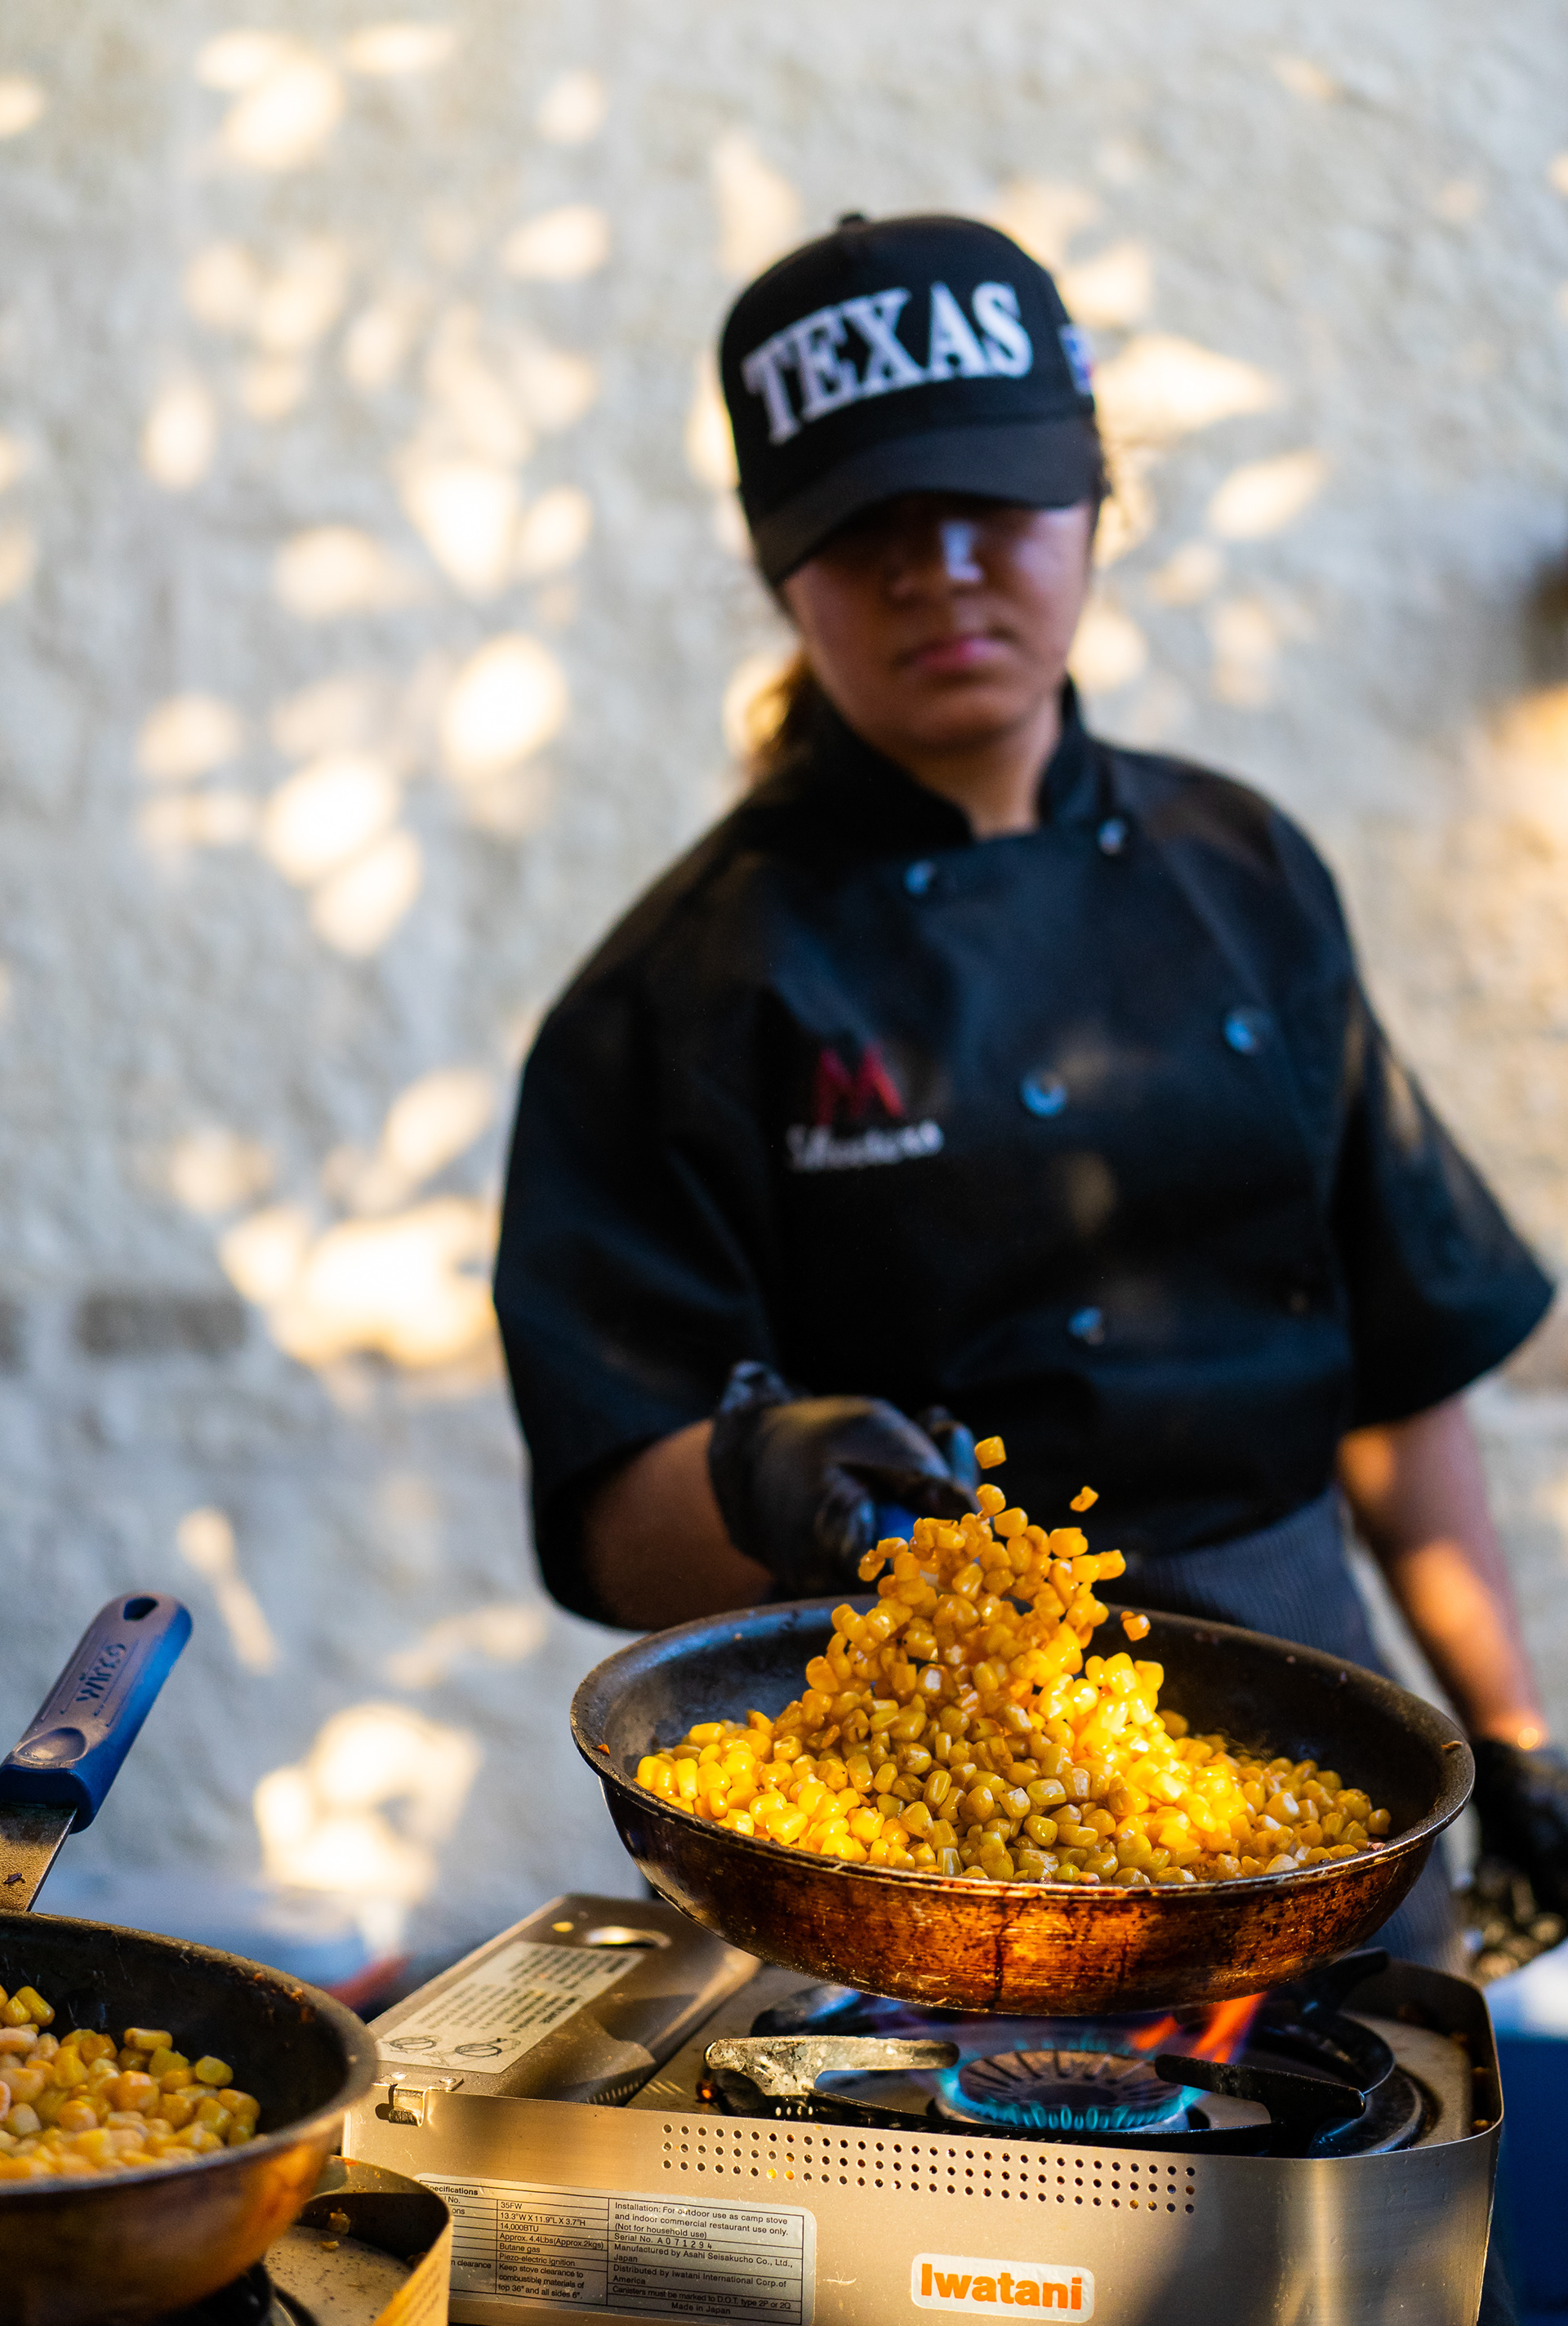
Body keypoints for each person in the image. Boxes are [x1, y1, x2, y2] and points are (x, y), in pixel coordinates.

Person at [494, 212, 1568, 1954]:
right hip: (900, 1832)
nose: (940, 571)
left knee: (1401, 2217)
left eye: (990, 503)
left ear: (1092, 505)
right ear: (783, 571)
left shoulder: (1249, 870)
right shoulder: (678, 990)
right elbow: (616, 1521)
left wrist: (1515, 1739)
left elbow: (1396, 1362)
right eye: (866, 529)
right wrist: (770, 1475)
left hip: (1314, 1769)